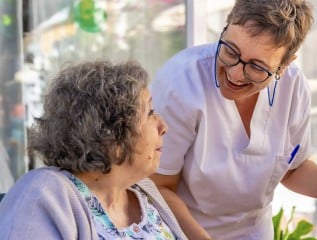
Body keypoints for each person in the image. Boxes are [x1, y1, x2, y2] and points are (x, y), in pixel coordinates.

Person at [149, 0, 317, 239]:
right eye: (230, 50)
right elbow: (160, 187)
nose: (235, 73)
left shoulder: (293, 86)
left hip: (255, 232)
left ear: (285, 65)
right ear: (225, 27)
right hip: (181, 231)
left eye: (257, 67)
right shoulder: (180, 83)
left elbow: (294, 170)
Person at [0, 61, 187, 239]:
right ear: (110, 134)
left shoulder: (144, 191)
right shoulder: (44, 193)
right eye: (150, 113)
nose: (163, 126)